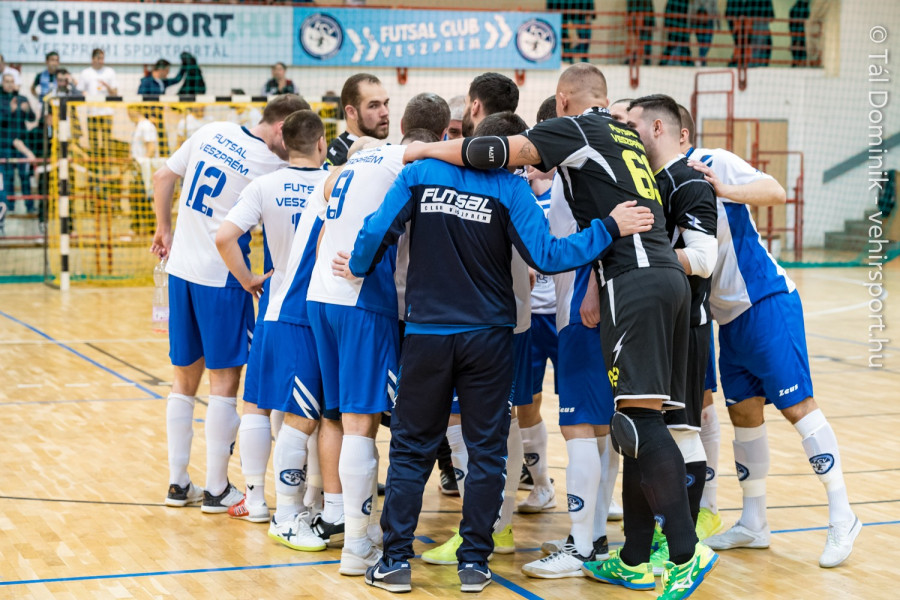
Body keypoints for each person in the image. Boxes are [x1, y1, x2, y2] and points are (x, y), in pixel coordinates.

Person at [404, 63, 719, 598]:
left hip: (634, 282)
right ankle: (636, 555)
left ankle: (685, 554)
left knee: (640, 425)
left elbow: (494, 152)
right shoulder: (626, 135)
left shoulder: (578, 127)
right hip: (662, 279)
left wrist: (425, 151)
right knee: (633, 422)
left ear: (563, 98)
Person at [341, 111, 654, 594]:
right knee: (487, 451)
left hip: (427, 334)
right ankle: (475, 563)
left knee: (411, 448)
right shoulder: (511, 190)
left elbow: (375, 235)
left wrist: (358, 265)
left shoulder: (420, 173)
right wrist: (609, 228)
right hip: (490, 338)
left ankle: (396, 561)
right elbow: (549, 257)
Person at [679, 106, 861, 569]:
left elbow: (775, 190)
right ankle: (754, 522)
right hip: (727, 318)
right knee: (743, 414)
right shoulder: (665, 183)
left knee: (798, 407)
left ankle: (843, 514)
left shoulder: (712, 160)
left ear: (674, 131)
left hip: (766, 301)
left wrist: (725, 190)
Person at [306, 93, 450, 577]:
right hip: (361, 297)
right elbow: (427, 153)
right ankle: (357, 547)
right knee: (360, 423)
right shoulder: (395, 155)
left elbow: (328, 190)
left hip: (320, 295)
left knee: (339, 416)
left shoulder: (352, 162)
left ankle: (343, 524)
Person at [150, 93, 310, 514]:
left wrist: (164, 228)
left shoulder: (211, 130)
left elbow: (162, 177)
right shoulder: (273, 165)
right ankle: (218, 489)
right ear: (281, 129)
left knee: (183, 380)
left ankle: (177, 482)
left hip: (180, 269)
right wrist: (249, 280)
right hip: (222, 280)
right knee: (225, 384)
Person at [421, 72, 528, 567]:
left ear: (474, 106)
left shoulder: (481, 157)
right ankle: (491, 524)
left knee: (483, 426)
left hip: (484, 311)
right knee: (499, 423)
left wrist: (417, 151)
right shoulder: (521, 154)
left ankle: (487, 529)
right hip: (511, 308)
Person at [215, 110, 330, 550]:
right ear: (321, 143)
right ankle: (300, 506)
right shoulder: (332, 183)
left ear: (282, 143)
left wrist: (247, 280)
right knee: (309, 415)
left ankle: (257, 499)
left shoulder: (265, 185)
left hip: (273, 303)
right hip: (314, 310)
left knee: (257, 404)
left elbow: (225, 236)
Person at [521, 98, 618, 579]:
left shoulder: (580, 166)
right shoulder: (594, 161)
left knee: (582, 426)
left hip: (582, 302)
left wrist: (593, 288)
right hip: (580, 301)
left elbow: (603, 229)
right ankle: (594, 536)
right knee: (597, 425)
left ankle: (584, 545)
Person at [627, 94, 719, 575]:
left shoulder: (688, 181)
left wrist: (643, 261)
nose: (627, 134)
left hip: (686, 327)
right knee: (645, 433)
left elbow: (704, 258)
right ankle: (638, 551)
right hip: (657, 327)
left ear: (658, 128)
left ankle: (683, 545)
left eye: (633, 125)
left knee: (681, 433)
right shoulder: (653, 183)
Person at [325, 73, 389, 166]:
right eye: (374, 106)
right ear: (351, 112)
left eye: (386, 103)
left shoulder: (383, 149)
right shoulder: (339, 158)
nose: (385, 112)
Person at [0, 73, 36, 213]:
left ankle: (30, 206)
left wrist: (28, 110)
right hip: (5, 145)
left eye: (11, 81)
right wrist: (11, 110)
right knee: (8, 177)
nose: (9, 84)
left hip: (21, 145)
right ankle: (10, 206)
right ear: (3, 83)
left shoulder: (22, 99)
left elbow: (32, 118)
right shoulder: (1, 99)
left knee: (24, 176)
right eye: (6, 81)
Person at [77, 49, 118, 157]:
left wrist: (107, 87)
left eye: (102, 58)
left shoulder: (109, 72)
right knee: (93, 143)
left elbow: (115, 93)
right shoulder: (86, 73)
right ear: (93, 59)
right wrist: (84, 94)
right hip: (92, 113)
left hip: (107, 113)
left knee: (107, 142)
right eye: (98, 58)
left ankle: (106, 168)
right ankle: (95, 169)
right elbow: (79, 91)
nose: (101, 61)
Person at [127, 105, 159, 234]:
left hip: (143, 170)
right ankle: (139, 228)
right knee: (136, 198)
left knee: (141, 198)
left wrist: (142, 167)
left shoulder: (146, 126)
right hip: (137, 168)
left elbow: (151, 149)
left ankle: (144, 228)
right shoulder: (138, 127)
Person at [661, 0, 692, 66]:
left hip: (680, 29)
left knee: (681, 48)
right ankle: (665, 64)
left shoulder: (685, 2)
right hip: (676, 29)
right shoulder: (673, 2)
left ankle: (686, 64)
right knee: (673, 47)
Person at [690, 0, 719, 66]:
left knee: (707, 42)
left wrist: (718, 24)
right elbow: (692, 6)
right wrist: (691, 22)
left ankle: (701, 59)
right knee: (701, 43)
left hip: (709, 21)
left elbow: (715, 8)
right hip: (697, 21)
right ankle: (702, 60)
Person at [626, 0, 656, 65]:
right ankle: (630, 62)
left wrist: (653, 24)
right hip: (639, 23)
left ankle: (646, 63)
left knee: (645, 46)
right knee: (639, 46)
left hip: (646, 23)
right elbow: (630, 11)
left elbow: (651, 10)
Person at [789, 0, 811, 67]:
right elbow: (796, 25)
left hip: (798, 38)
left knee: (798, 58)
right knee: (799, 58)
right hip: (800, 38)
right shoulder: (800, 8)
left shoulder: (795, 8)